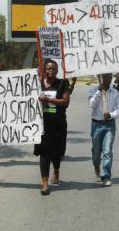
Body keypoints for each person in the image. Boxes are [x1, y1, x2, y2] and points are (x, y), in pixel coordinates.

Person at [34, 60, 70, 195]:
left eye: (54, 69)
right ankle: (44, 183)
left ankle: (56, 169)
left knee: (57, 152)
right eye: (48, 69)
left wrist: (48, 100)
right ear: (44, 70)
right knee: (44, 153)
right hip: (42, 126)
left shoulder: (62, 84)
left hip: (58, 124)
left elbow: (65, 102)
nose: (51, 71)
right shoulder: (36, 84)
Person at [88, 73, 119, 186]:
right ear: (100, 78)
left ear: (111, 78)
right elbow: (91, 105)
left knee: (107, 151)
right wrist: (99, 91)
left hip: (109, 125)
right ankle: (96, 166)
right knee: (96, 152)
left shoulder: (115, 92)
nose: (106, 80)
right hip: (96, 125)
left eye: (108, 77)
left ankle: (106, 175)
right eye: (104, 77)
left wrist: (111, 115)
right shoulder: (93, 90)